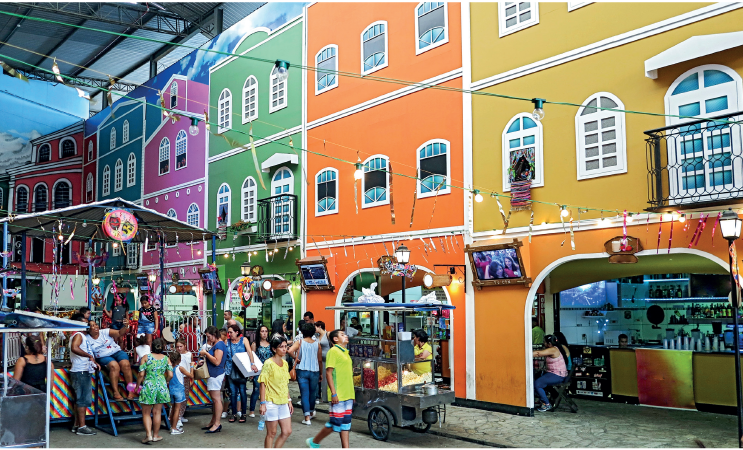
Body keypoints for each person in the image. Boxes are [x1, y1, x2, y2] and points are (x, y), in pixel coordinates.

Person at [306, 330, 353, 450]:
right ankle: (314, 441)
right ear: (335, 339)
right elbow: (328, 373)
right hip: (338, 393)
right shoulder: (333, 351)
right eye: (342, 335)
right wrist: (333, 393)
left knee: (346, 424)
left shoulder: (345, 352)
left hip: (348, 393)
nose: (345, 336)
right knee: (335, 423)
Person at [258, 334, 293, 449]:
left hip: (283, 400)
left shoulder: (285, 364)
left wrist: (289, 400)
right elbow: (262, 383)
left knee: (287, 431)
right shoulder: (268, 363)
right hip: (270, 402)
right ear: (274, 349)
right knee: (271, 433)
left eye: (285, 346)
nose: (284, 349)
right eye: (281, 347)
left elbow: (285, 383)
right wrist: (262, 403)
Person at [86, 319, 135, 400]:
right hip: (103, 356)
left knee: (126, 364)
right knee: (114, 366)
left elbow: (119, 333)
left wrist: (125, 326)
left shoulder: (105, 331)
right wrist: (93, 361)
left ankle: (130, 391)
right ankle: (116, 392)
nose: (95, 327)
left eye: (96, 324)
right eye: (92, 325)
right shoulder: (86, 338)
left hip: (116, 351)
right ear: (88, 329)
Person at [136, 338, 172, 444]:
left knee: (146, 412)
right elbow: (170, 374)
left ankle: (148, 435)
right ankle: (156, 435)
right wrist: (165, 381)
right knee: (157, 412)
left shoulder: (146, 358)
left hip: (149, 385)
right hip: (161, 386)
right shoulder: (166, 358)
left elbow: (141, 374)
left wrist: (137, 385)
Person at [68, 313, 99, 436]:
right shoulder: (79, 335)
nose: (87, 324)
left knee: (80, 399)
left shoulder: (77, 335)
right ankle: (82, 426)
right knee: (82, 399)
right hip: (81, 370)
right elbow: (74, 348)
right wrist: (89, 356)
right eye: (85, 322)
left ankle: (77, 424)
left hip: (80, 370)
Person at [225, 323, 258, 424]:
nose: (229, 334)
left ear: (237, 332)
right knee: (233, 393)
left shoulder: (244, 340)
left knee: (243, 392)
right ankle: (234, 413)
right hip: (229, 370)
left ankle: (243, 413)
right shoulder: (227, 342)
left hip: (241, 370)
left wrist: (252, 364)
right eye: (228, 332)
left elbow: (249, 352)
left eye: (231, 332)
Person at [292, 322, 323, 425]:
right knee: (312, 393)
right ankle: (311, 411)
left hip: (302, 370)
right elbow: (319, 360)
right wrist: (321, 373)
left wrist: (296, 359)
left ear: (302, 331)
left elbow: (289, 351)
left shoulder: (299, 342)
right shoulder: (317, 344)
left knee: (304, 394)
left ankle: (307, 418)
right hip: (315, 371)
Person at [199, 326, 226, 433]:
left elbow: (217, 361)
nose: (208, 339)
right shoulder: (218, 344)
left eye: (209, 336)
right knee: (215, 400)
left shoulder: (219, 345)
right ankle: (213, 421)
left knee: (216, 399)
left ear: (214, 335)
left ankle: (217, 423)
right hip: (214, 374)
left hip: (215, 374)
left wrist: (205, 353)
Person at [532, 334, 569, 412]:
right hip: (555, 374)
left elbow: (538, 353)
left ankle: (546, 404)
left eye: (544, 342)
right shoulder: (555, 348)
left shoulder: (553, 349)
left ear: (549, 343)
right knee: (537, 379)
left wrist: (523, 353)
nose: (543, 344)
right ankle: (542, 400)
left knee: (537, 384)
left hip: (558, 375)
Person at [249, 325, 272, 418]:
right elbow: (252, 358)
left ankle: (267, 409)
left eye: (266, 331)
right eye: (262, 331)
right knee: (256, 390)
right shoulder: (255, 344)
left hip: (269, 370)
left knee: (269, 390)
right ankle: (251, 410)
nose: (264, 333)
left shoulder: (271, 344)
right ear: (259, 333)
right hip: (258, 370)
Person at [168, 351, 191, 435]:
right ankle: (174, 428)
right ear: (180, 360)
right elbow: (191, 375)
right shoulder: (180, 368)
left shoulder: (169, 368)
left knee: (173, 408)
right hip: (179, 391)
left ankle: (171, 426)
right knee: (177, 409)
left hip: (171, 390)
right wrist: (191, 366)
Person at [174, 339, 192, 427]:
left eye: (181, 346)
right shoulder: (175, 355)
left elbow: (190, 365)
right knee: (179, 398)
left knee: (185, 397)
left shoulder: (189, 354)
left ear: (185, 345)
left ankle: (181, 415)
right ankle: (177, 418)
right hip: (178, 378)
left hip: (186, 377)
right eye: (177, 347)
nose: (179, 348)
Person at [315, 321, 330, 402]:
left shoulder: (327, 334)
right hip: (320, 360)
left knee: (328, 377)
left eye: (315, 327)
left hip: (328, 359)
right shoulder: (316, 336)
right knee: (323, 378)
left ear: (319, 326)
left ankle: (329, 396)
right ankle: (324, 398)